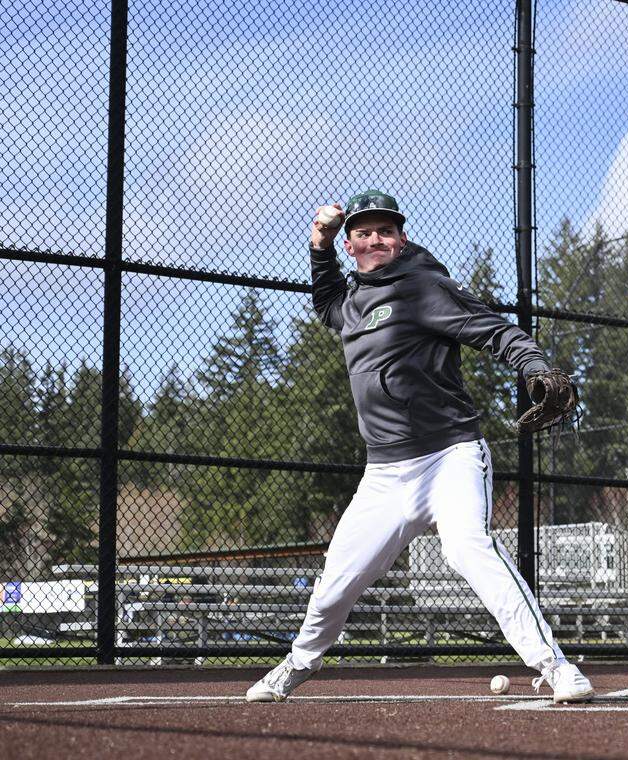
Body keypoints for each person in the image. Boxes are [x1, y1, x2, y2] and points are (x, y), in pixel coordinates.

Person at [246, 191, 593, 703]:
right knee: (337, 581)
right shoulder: (350, 302)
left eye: (385, 230)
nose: (375, 239)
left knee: (468, 548)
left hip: (449, 454)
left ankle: (554, 666)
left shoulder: (421, 287)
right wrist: (319, 244)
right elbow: (326, 303)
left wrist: (534, 366)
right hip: (385, 474)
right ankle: (300, 662)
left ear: (401, 237)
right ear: (351, 245)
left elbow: (494, 330)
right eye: (363, 233)